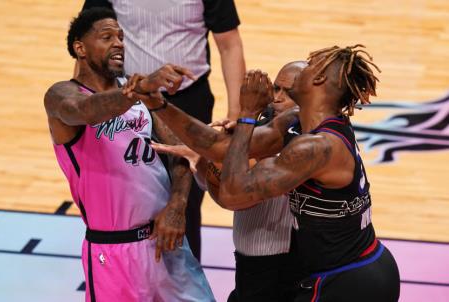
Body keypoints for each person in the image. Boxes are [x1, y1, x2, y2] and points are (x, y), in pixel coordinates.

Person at [124, 45, 401, 301]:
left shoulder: (317, 147)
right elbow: (219, 146)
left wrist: (248, 113)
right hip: (340, 271)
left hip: (353, 280)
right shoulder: (296, 122)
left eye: (309, 66)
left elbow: (233, 192)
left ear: (317, 82)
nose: (302, 67)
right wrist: (160, 105)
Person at [44, 8, 214, 301]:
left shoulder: (139, 95)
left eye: (122, 37)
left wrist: (177, 205)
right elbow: (84, 112)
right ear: (80, 48)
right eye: (107, 37)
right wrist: (139, 90)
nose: (119, 43)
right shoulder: (62, 95)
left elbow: (180, 154)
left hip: (165, 242)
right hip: (112, 251)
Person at [81, 0, 246, 262]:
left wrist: (238, 113)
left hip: (188, 101)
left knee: (187, 199)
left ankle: (186, 275)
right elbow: (88, 39)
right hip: (128, 98)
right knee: (131, 192)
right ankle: (134, 271)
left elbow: (229, 44)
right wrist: (88, 102)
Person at [153, 61, 307, 302]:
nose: (277, 98)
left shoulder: (302, 142)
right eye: (276, 88)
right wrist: (204, 160)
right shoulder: (264, 124)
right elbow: (212, 182)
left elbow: (233, 197)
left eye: (289, 93)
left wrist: (221, 148)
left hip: (280, 268)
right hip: (251, 264)